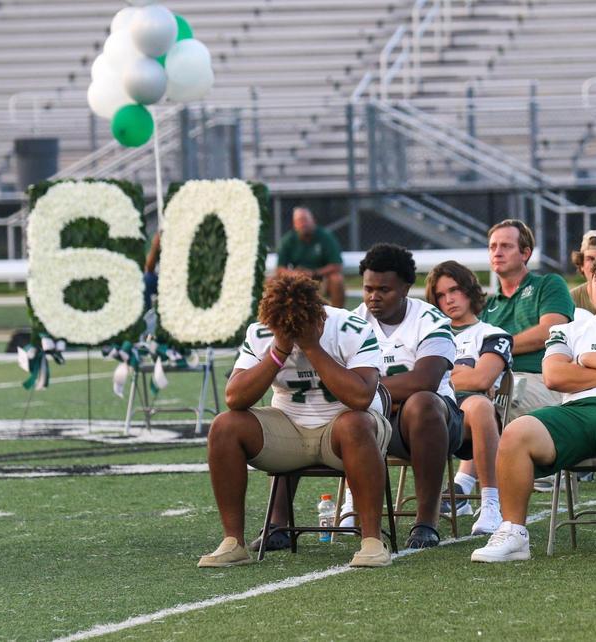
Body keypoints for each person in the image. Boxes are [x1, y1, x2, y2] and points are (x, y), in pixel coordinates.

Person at [471, 248, 596, 563]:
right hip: (576, 413)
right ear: (590, 284)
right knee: (516, 432)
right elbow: (554, 376)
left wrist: (583, 359)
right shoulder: (568, 328)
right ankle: (513, 532)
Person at [199, 272, 392, 568]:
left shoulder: (350, 326)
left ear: (319, 316)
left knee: (355, 423)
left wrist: (313, 347)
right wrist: (279, 351)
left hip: (346, 430)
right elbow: (235, 398)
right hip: (288, 428)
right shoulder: (262, 331)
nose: (291, 331)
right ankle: (233, 542)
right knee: (224, 426)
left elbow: (361, 398)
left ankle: (371, 541)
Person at [353, 243, 466, 549]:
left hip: (437, 422)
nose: (374, 296)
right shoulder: (351, 322)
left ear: (405, 287)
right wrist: (387, 392)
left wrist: (366, 389)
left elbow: (425, 381)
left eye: (384, 290)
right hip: (376, 419)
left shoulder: (431, 320)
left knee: (422, 404)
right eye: (368, 289)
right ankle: (280, 522)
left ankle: (426, 520)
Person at [426, 260, 513, 534]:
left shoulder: (493, 334)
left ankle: (491, 503)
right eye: (440, 295)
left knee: (479, 405)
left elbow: (481, 380)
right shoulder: (427, 334)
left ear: (469, 290)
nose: (449, 299)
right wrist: (460, 371)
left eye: (454, 290)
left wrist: (441, 374)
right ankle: (351, 505)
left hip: (467, 418)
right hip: (429, 410)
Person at [480, 219, 575, 420]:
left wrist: (494, 349)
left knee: (495, 406)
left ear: (525, 253)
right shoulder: (486, 306)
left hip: (541, 379)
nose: (497, 252)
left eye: (506, 246)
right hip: (492, 380)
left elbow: (550, 331)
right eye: (492, 247)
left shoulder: (548, 284)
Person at [276, 207, 345, 308]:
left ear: (313, 221)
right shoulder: (288, 240)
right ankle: (276, 318)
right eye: (299, 221)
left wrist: (314, 273)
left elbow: (337, 265)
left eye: (305, 220)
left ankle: (338, 314)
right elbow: (280, 269)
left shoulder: (326, 237)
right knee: (271, 281)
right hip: (296, 280)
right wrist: (294, 274)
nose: (303, 224)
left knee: (337, 279)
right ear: (294, 224)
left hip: (321, 279)